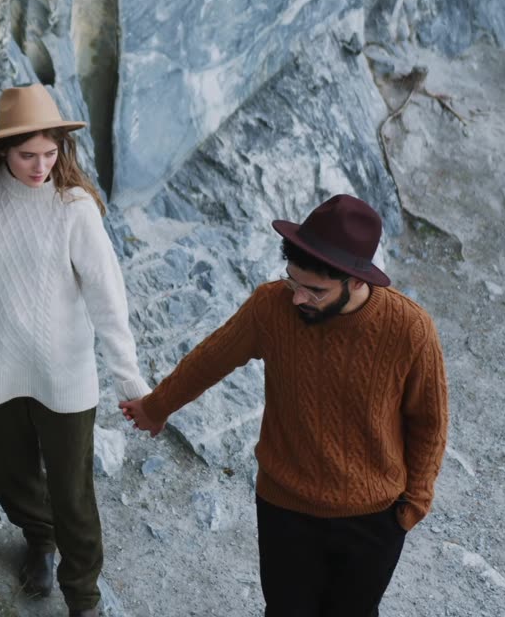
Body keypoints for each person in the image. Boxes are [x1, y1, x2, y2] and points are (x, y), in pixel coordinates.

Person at [120, 194, 448, 617]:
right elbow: (210, 359)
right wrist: (156, 407)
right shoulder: (270, 307)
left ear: (356, 280)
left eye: (314, 290)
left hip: (373, 519)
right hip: (285, 508)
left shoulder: (410, 330)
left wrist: (413, 505)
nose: (297, 298)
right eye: (293, 282)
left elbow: (430, 422)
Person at [0, 84, 151, 617]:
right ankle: (39, 540)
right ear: (3, 152)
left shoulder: (74, 206)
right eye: (27, 155)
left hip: (62, 372)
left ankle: (82, 597)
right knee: (10, 477)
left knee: (74, 496)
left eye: (50, 153)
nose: (40, 166)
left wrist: (128, 379)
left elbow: (108, 298)